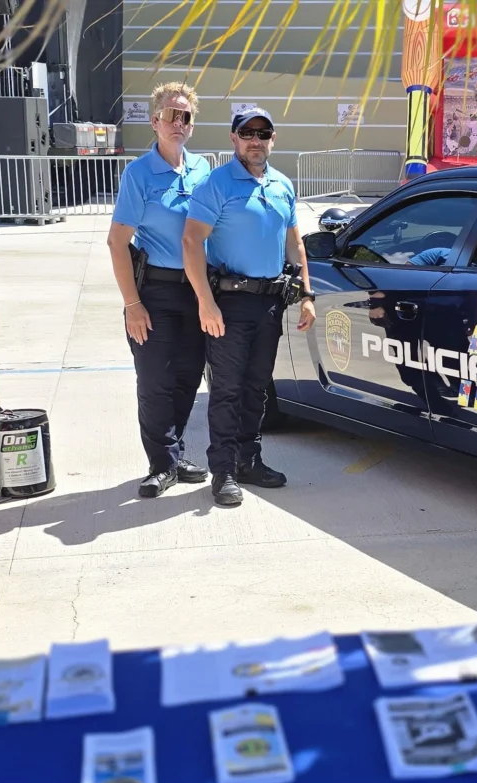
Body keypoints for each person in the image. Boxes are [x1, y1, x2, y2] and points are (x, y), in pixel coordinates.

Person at [181, 107, 316, 507]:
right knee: (226, 390)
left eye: (263, 133)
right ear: (233, 138)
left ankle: (248, 461)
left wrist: (306, 295)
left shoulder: (282, 185)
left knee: (256, 389)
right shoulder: (216, 184)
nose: (255, 140)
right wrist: (205, 302)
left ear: (273, 139)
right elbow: (191, 242)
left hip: (269, 304)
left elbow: (296, 244)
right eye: (247, 133)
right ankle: (222, 470)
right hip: (229, 303)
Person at [108, 82, 214, 499]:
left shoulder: (204, 170)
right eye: (171, 114)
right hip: (154, 293)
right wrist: (132, 304)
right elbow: (118, 242)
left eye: (185, 116)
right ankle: (161, 464)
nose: (178, 122)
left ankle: (174, 453)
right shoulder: (138, 174)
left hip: (198, 292)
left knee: (188, 378)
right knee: (155, 381)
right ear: (154, 121)